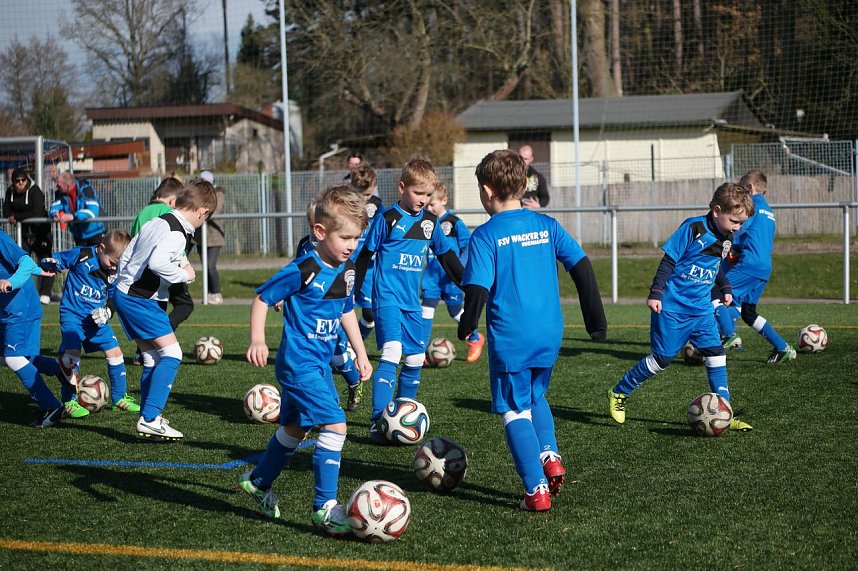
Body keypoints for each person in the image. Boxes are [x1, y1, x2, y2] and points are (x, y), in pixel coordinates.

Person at [457, 149, 606, 512]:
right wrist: (595, 320)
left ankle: (535, 489)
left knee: (513, 410)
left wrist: (467, 327)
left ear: (487, 191)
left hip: (512, 337)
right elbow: (582, 267)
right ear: (523, 186)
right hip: (550, 334)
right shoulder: (547, 225)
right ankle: (550, 456)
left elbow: (476, 289)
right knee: (535, 395)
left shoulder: (485, 235)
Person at [239, 184, 372, 535]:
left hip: (320, 364)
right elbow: (262, 299)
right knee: (336, 426)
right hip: (299, 365)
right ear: (320, 231)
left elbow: (346, 312)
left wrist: (360, 352)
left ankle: (259, 481)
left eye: (356, 238)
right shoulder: (305, 267)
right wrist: (257, 339)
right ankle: (324, 508)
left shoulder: (348, 270)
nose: (351, 245)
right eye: (345, 237)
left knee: (296, 428)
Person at [608, 182, 754, 432]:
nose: (738, 228)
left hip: (701, 310)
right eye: (735, 221)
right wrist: (656, 293)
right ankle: (620, 392)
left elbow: (714, 267)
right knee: (662, 359)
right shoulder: (693, 228)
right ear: (717, 211)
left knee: (717, 353)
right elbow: (669, 261)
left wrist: (726, 287)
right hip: (673, 308)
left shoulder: (727, 237)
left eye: (741, 223)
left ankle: (724, 413)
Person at [353, 158, 465, 442]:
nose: (423, 200)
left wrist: (467, 283)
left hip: (411, 302)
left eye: (428, 195)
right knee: (392, 351)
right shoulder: (387, 219)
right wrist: (352, 286)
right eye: (418, 193)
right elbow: (365, 254)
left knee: (415, 357)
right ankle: (378, 419)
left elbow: (446, 256)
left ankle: (401, 415)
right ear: (403, 188)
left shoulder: (430, 222)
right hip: (387, 297)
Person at [112, 178, 217, 441]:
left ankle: (148, 415)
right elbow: (159, 262)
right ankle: (150, 418)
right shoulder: (177, 232)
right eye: (204, 218)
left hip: (125, 294)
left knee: (151, 357)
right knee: (172, 353)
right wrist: (185, 275)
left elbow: (127, 254)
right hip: (139, 299)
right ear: (202, 212)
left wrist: (119, 283)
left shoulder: (156, 221)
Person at [34, 230, 138, 418]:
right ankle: (68, 402)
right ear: (101, 249)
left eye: (118, 265)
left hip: (95, 319)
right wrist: (50, 263)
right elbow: (59, 261)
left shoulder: (115, 270)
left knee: (115, 352)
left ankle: (119, 397)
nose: (114, 268)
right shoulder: (82, 255)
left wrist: (107, 311)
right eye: (112, 263)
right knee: (72, 356)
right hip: (72, 316)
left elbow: (114, 297)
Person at [712, 170, 797, 364]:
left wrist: (729, 245)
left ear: (749, 188)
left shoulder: (751, 208)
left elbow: (738, 229)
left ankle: (728, 335)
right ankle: (783, 348)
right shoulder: (769, 210)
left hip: (749, 263)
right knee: (747, 312)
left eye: (742, 189)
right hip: (764, 266)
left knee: (715, 290)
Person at [295, 196, 364, 411]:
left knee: (338, 359)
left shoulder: (343, 259)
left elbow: (346, 302)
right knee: (318, 361)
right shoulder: (305, 245)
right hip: (310, 317)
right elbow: (297, 272)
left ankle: (354, 382)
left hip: (332, 316)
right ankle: (326, 405)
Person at [0, 227, 64, 427]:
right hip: (8, 310)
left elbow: (26, 263)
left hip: (20, 308)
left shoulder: (0, 238)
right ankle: (58, 368)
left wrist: (10, 282)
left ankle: (51, 406)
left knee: (13, 358)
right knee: (8, 357)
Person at [129, 176, 194, 365]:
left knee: (152, 311)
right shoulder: (169, 213)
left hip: (140, 273)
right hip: (166, 270)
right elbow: (176, 247)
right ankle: (163, 343)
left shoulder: (142, 213)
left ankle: (142, 352)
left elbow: (135, 240)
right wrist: (185, 269)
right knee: (184, 305)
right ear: (174, 200)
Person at [421, 181, 485, 363]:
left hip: (451, 279)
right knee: (426, 310)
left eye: (432, 204)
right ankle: (422, 351)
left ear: (444, 201)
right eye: (427, 205)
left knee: (456, 312)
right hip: (432, 278)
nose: (429, 208)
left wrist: (460, 267)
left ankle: (475, 338)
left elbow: (468, 244)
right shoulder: (426, 223)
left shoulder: (454, 223)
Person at [4, 167, 54, 304]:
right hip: (24, 234)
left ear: (27, 180)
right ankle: (19, 290)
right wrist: (14, 217)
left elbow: (36, 212)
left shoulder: (35, 191)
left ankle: (45, 294)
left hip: (41, 233)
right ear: (13, 182)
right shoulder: (10, 192)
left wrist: (17, 217)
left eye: (23, 180)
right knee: (18, 262)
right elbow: (6, 211)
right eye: (17, 181)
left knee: (46, 261)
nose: (20, 183)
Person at [349, 164, 383, 341]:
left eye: (368, 195)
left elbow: (384, 228)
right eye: (360, 195)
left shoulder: (377, 206)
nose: (364, 200)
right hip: (345, 264)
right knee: (341, 309)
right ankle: (340, 350)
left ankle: (355, 346)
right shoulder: (343, 203)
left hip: (368, 267)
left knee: (369, 313)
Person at [49, 172, 106, 247]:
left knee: (97, 257)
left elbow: (93, 212)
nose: (57, 187)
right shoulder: (61, 193)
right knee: (81, 258)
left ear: (68, 186)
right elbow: (54, 207)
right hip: (79, 236)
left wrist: (73, 216)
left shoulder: (85, 190)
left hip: (96, 232)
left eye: (59, 186)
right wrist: (54, 214)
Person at [194, 171, 226, 305]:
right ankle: (207, 294)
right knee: (205, 266)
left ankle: (217, 294)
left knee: (210, 266)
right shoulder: (197, 195)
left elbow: (215, 210)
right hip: (201, 238)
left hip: (214, 238)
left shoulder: (218, 194)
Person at [517, 144, 549, 209]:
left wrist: (539, 205)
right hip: (513, 212)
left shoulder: (538, 177)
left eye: (525, 159)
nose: (522, 161)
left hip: (530, 212)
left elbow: (545, 197)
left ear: (531, 159)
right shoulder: (509, 175)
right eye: (520, 158)